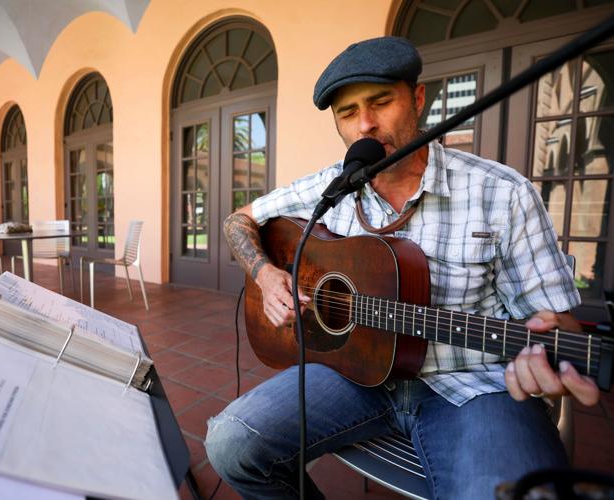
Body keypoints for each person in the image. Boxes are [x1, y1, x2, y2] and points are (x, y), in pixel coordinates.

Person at [205, 36, 601, 499]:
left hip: (472, 384)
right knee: (230, 444)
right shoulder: (329, 186)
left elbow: (558, 325)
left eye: (379, 102)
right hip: (351, 375)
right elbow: (240, 219)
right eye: (347, 113)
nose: (365, 125)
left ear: (417, 98)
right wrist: (265, 275)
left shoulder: (503, 193)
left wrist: (553, 348)